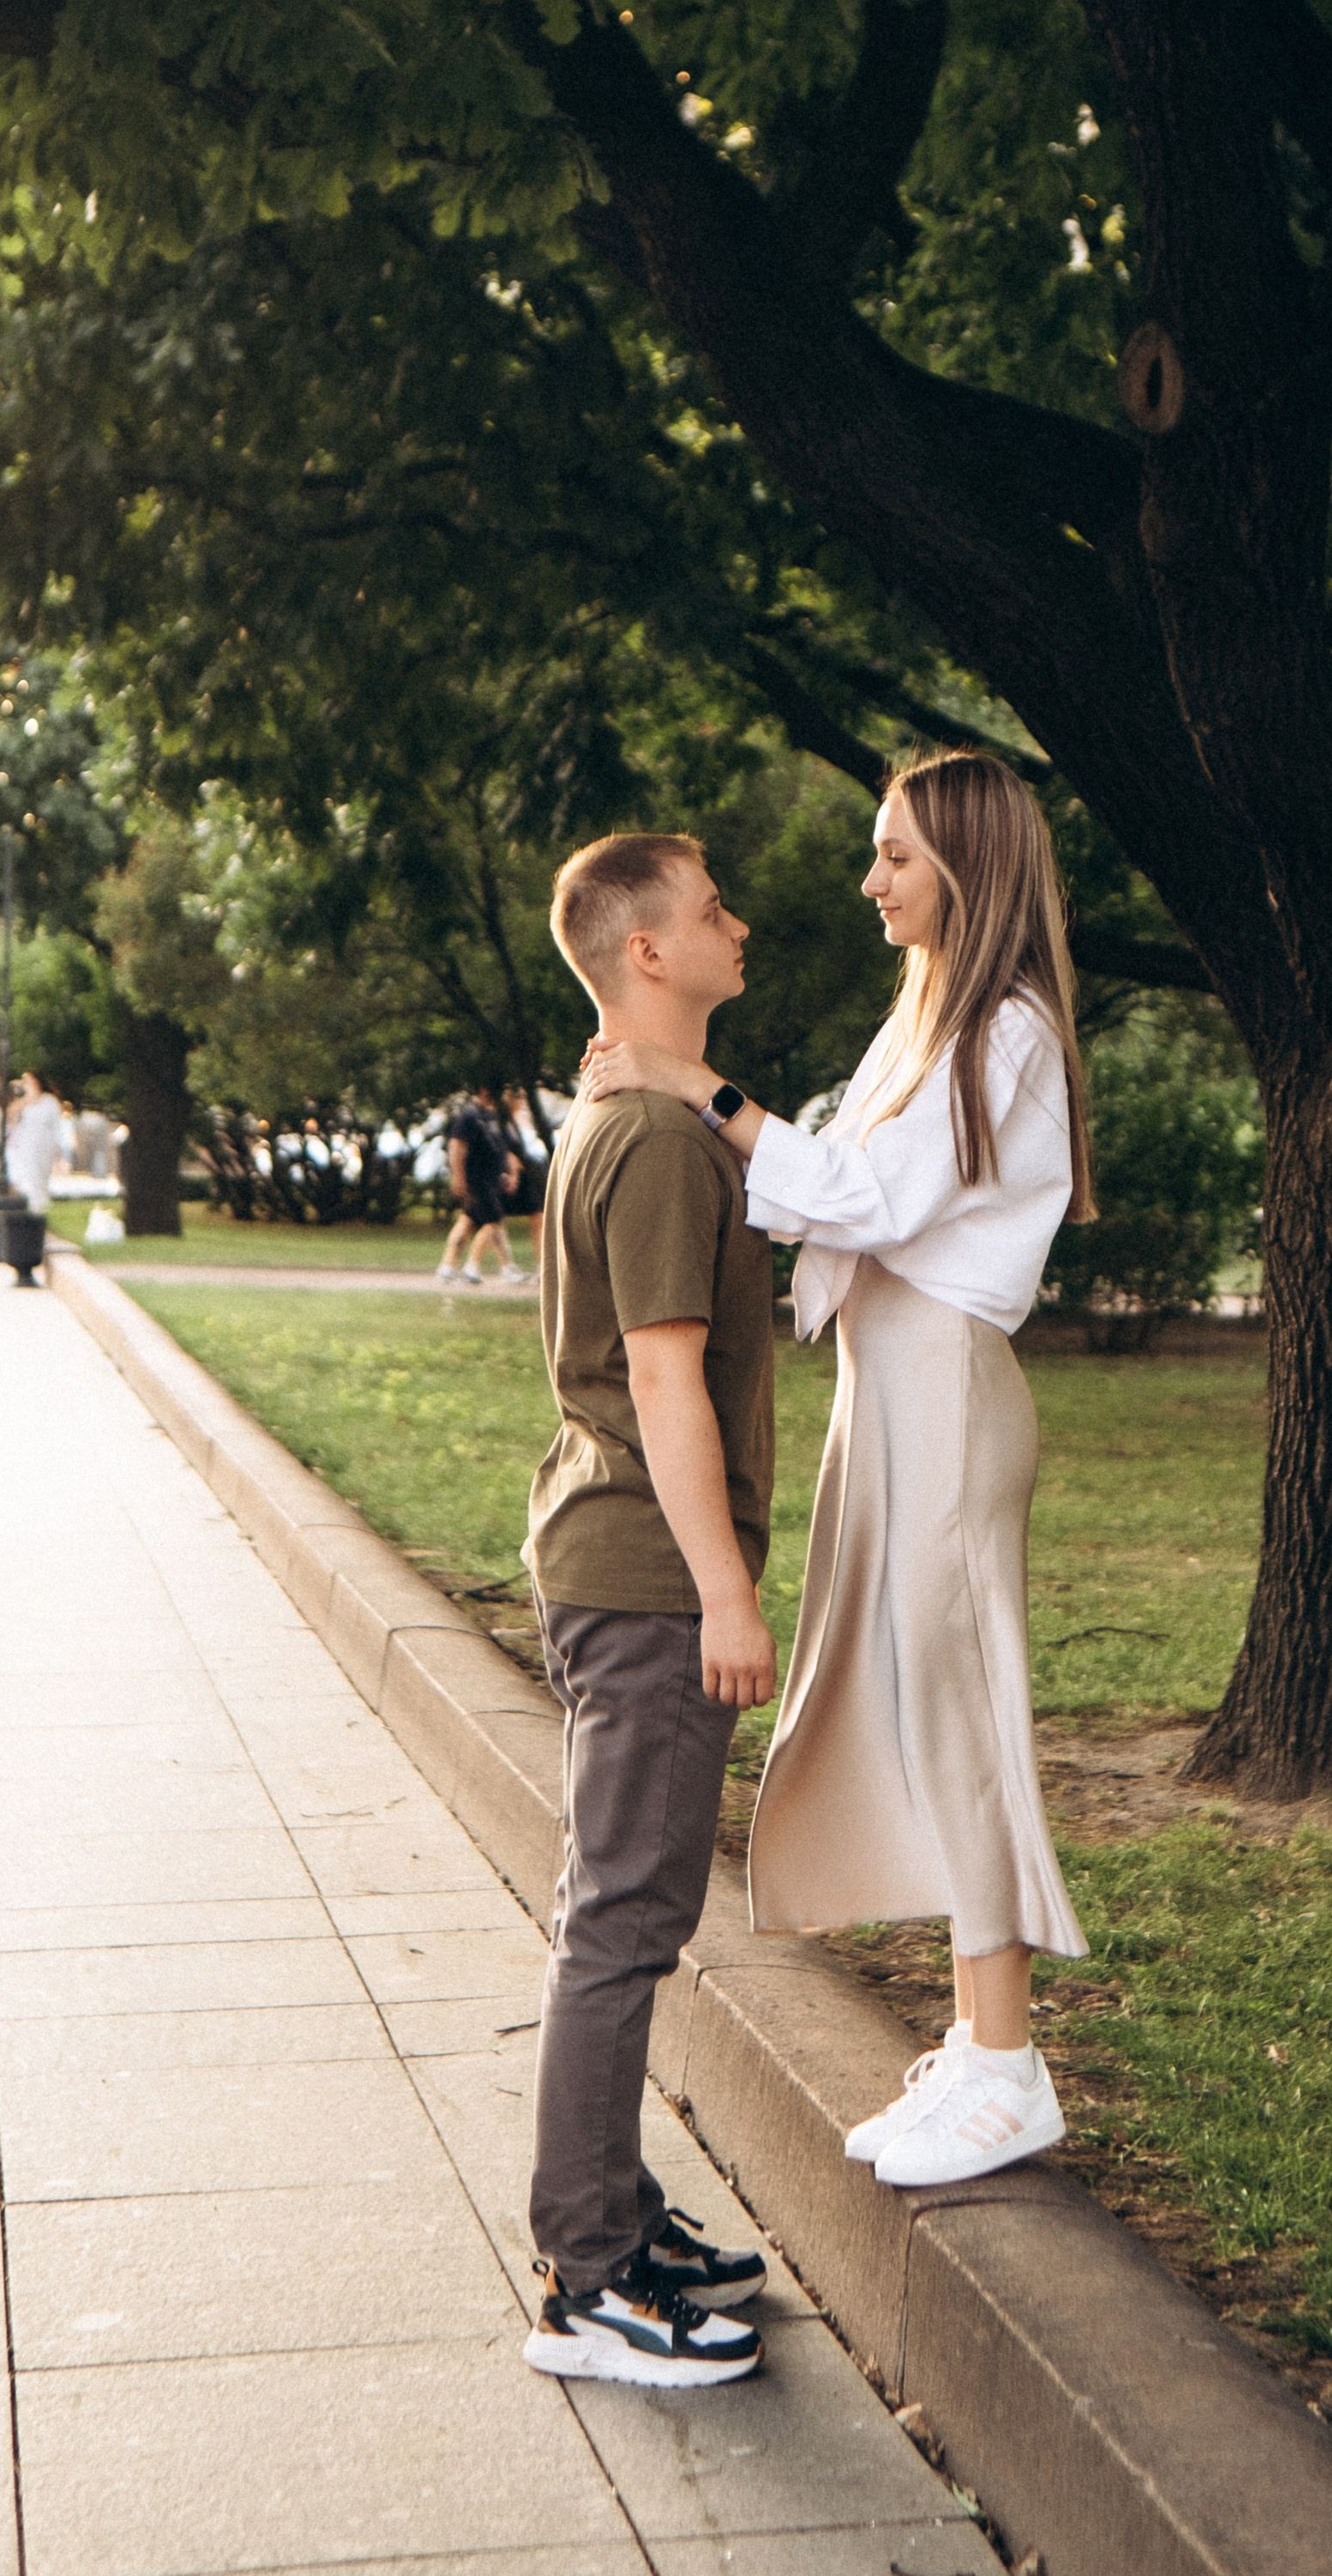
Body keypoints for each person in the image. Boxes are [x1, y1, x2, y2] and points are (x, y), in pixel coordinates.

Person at [581, 748, 1092, 2191]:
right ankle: (980, 2045)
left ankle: (1007, 2064)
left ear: (967, 870)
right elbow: (811, 1197)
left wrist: (697, 1080)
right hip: (892, 1386)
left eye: (897, 858)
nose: (872, 881)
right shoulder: (925, 1024)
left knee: (957, 1712)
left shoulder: (1006, 1034)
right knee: (913, 1711)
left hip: (943, 1385)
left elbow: (861, 1198)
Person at [518, 830, 775, 2392]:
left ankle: (613, 2216)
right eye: (711, 907)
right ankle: (588, 2280)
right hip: (649, 1579)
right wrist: (727, 1593)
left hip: (607, 1558)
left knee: (620, 1912)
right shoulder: (663, 1144)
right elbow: (666, 1379)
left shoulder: (628, 1115)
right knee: (621, 1925)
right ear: (647, 954)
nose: (739, 924)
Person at [436, 1081, 526, 1287]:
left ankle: (448, 1266)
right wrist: (458, 1177)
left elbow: (501, 1149)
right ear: (484, 1090)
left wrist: (506, 1172)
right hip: (477, 1179)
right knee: (495, 1220)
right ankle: (489, 1267)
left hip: (491, 1178)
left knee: (469, 1221)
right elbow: (457, 1146)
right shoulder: (469, 1117)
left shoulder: (490, 1116)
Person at [501, 1082, 553, 1272]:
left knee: (538, 1217)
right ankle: (480, 1263)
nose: (523, 1101)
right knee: (491, 1220)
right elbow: (510, 1152)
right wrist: (514, 1173)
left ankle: (541, 1264)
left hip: (534, 1171)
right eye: (519, 1097)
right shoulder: (507, 1124)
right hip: (521, 1174)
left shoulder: (528, 1120)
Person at [6, 1070, 65, 1216]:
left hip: (44, 1144)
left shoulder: (49, 1101)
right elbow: (11, 1118)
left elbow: (57, 1127)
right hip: (27, 1144)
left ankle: (39, 1210)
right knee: (28, 1177)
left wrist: (58, 1150)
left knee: (41, 1177)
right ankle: (31, 1208)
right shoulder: (23, 1102)